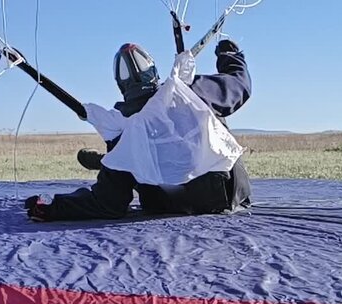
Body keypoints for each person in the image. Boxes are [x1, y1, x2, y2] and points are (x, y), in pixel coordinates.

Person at [25, 40, 252, 222]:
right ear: (153, 70)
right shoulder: (192, 92)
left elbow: (108, 203)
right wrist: (229, 56)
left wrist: (52, 207)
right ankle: (107, 161)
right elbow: (239, 85)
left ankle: (106, 161)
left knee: (125, 155)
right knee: (210, 114)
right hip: (226, 193)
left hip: (167, 202)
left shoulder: (122, 127)